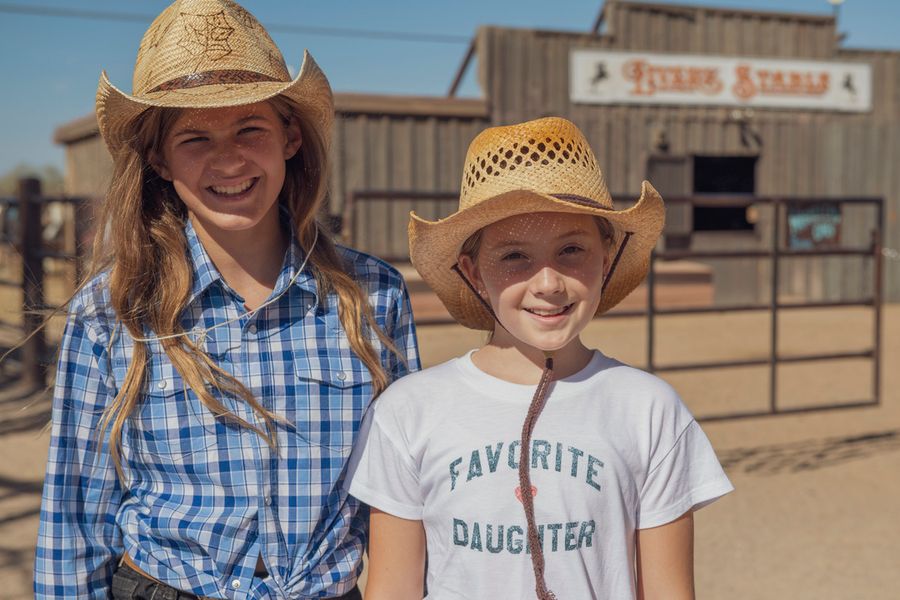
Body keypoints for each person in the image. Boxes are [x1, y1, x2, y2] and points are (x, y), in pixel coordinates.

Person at [33, 1, 419, 598]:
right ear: (157, 157)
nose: (229, 159)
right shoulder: (108, 313)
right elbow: (74, 520)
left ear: (290, 137)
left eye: (250, 128)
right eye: (195, 137)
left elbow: (400, 499)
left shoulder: (372, 298)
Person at [347, 117, 733, 599]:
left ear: (608, 258)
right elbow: (393, 589)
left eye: (571, 250)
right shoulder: (409, 412)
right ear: (472, 271)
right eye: (514, 257)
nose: (548, 283)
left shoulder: (650, 410)